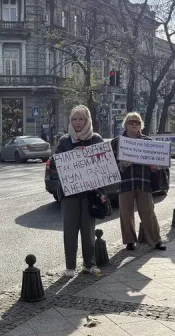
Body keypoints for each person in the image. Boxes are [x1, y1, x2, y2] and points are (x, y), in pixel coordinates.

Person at [53, 105, 103, 277]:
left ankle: (89, 264)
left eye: (81, 119)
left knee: (88, 230)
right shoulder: (64, 141)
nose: (77, 122)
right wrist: (72, 155)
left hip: (90, 193)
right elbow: (55, 163)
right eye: (74, 119)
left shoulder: (96, 139)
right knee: (70, 230)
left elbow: (104, 163)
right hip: (69, 194)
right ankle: (70, 266)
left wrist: (88, 155)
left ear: (87, 120)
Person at [111, 113, 166, 252]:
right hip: (125, 182)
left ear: (141, 125)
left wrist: (154, 166)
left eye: (137, 122)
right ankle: (129, 241)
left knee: (148, 212)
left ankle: (155, 240)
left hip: (143, 181)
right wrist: (122, 164)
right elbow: (111, 164)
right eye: (131, 122)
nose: (134, 124)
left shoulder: (147, 141)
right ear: (125, 124)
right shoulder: (117, 142)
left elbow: (157, 163)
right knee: (126, 213)